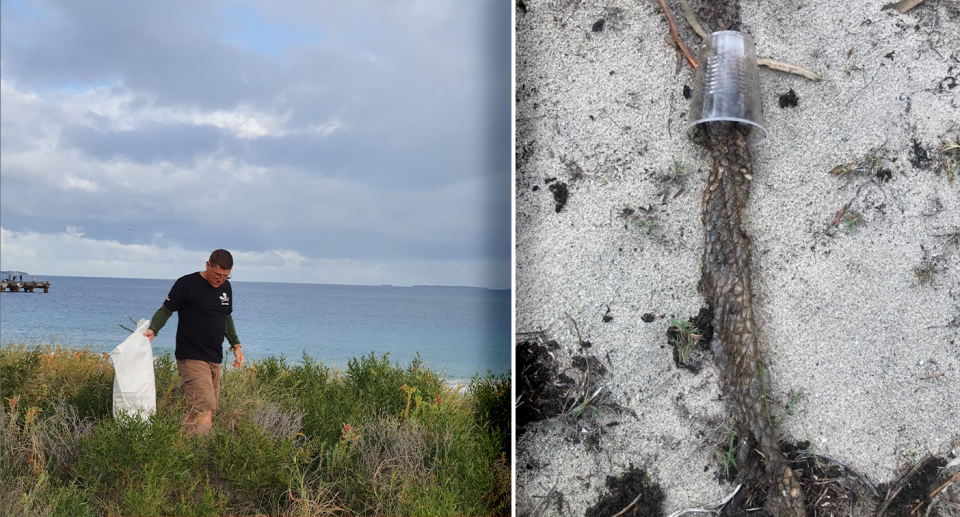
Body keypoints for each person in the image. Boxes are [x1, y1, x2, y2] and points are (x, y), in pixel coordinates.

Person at [144, 249, 243, 436]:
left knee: (198, 409)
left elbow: (226, 318)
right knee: (204, 409)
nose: (220, 280)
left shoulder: (226, 288)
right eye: (217, 274)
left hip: (215, 357)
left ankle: (180, 450)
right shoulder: (186, 284)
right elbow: (166, 310)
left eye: (226, 277)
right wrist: (153, 329)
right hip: (191, 356)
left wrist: (236, 346)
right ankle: (203, 456)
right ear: (208, 265)